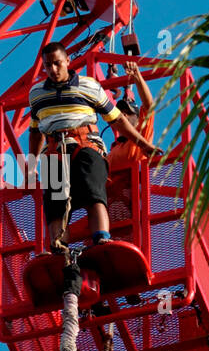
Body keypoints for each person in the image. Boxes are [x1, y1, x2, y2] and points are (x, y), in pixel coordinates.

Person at [27, 41, 156, 251]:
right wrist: (31, 165)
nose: (52, 69)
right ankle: (59, 247)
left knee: (93, 192)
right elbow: (34, 131)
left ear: (68, 61)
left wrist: (144, 144)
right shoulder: (37, 94)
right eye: (48, 65)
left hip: (85, 147)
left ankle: (102, 238)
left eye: (57, 63)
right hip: (54, 152)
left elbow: (122, 118)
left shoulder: (89, 86)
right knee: (55, 204)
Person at [109, 60, 155, 169]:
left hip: (132, 185)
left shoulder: (142, 139)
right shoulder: (113, 149)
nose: (123, 115)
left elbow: (148, 105)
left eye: (129, 113)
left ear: (139, 120)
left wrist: (136, 75)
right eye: (121, 113)